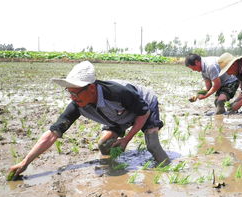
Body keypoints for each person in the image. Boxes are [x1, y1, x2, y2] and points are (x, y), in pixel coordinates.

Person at [9, 61, 170, 178]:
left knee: (153, 146)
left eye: (76, 92)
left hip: (143, 106)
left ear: (91, 88)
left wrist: (127, 139)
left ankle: (166, 172)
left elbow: (143, 113)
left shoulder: (118, 92)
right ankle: (116, 168)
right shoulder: (77, 104)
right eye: (70, 92)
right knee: (103, 145)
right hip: (117, 116)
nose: (73, 97)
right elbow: (52, 134)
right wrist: (25, 162)